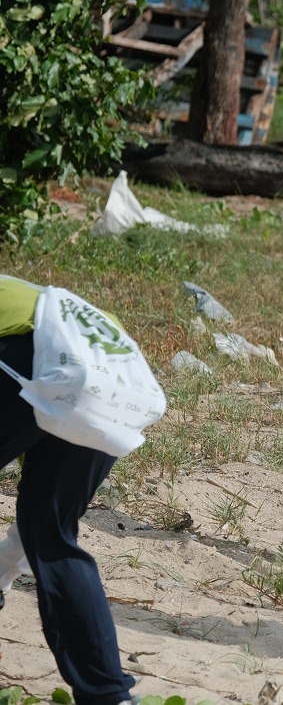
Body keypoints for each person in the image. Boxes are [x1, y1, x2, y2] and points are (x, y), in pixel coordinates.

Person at [0, 275, 137, 705]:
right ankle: (108, 697)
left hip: (40, 357)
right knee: (51, 530)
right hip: (119, 378)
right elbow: (33, 530)